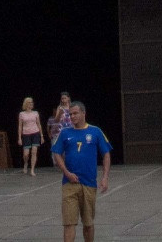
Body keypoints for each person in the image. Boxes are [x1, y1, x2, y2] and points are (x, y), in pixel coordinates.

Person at [49, 100, 112, 242]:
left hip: (88, 183)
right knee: (69, 223)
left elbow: (106, 154)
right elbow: (57, 152)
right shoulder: (65, 133)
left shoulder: (95, 131)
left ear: (84, 113)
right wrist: (66, 172)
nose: (72, 117)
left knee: (88, 224)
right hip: (69, 184)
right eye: (70, 114)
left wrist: (105, 177)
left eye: (75, 113)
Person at [17, 97, 43, 176]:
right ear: (26, 104)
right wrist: (19, 138)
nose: (31, 104)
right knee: (26, 154)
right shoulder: (22, 114)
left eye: (32, 103)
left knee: (34, 152)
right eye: (29, 103)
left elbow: (39, 124)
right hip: (26, 134)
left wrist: (41, 136)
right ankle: (25, 163)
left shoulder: (35, 113)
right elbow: (20, 126)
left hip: (35, 133)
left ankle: (32, 170)